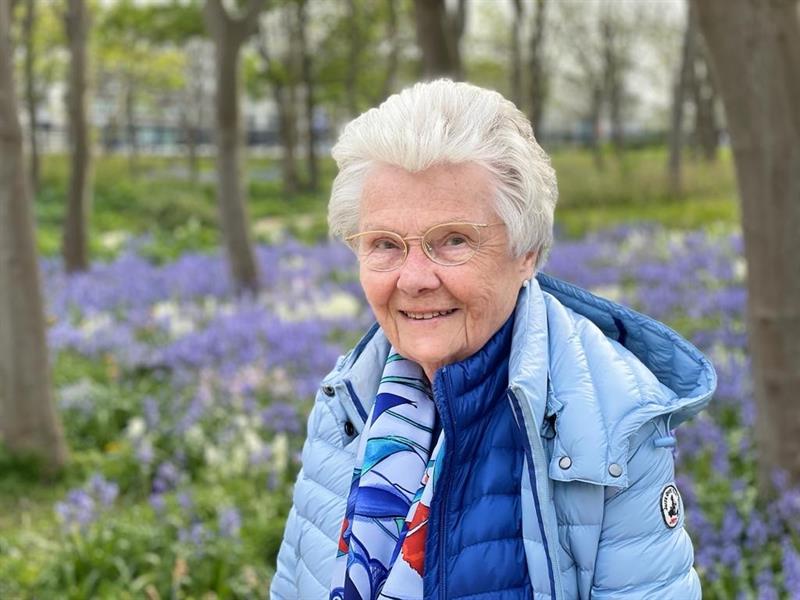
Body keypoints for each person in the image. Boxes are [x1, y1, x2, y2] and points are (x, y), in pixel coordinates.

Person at [271, 80, 715, 600]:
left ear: (526, 252)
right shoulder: (345, 399)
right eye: (385, 244)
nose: (414, 279)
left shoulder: (612, 418)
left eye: (453, 240)